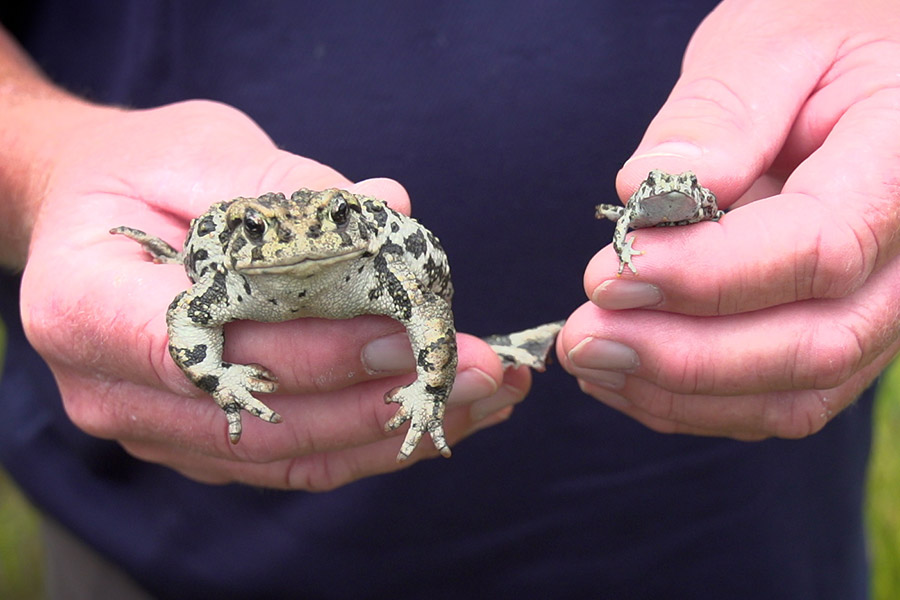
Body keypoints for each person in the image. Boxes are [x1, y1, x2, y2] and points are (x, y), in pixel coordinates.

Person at [0, 1, 896, 598]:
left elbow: (420, 295)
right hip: (172, 541)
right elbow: (190, 317)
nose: (297, 245)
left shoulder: (370, 258)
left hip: (733, 519)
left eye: (328, 225)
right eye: (271, 239)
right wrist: (40, 163)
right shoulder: (231, 272)